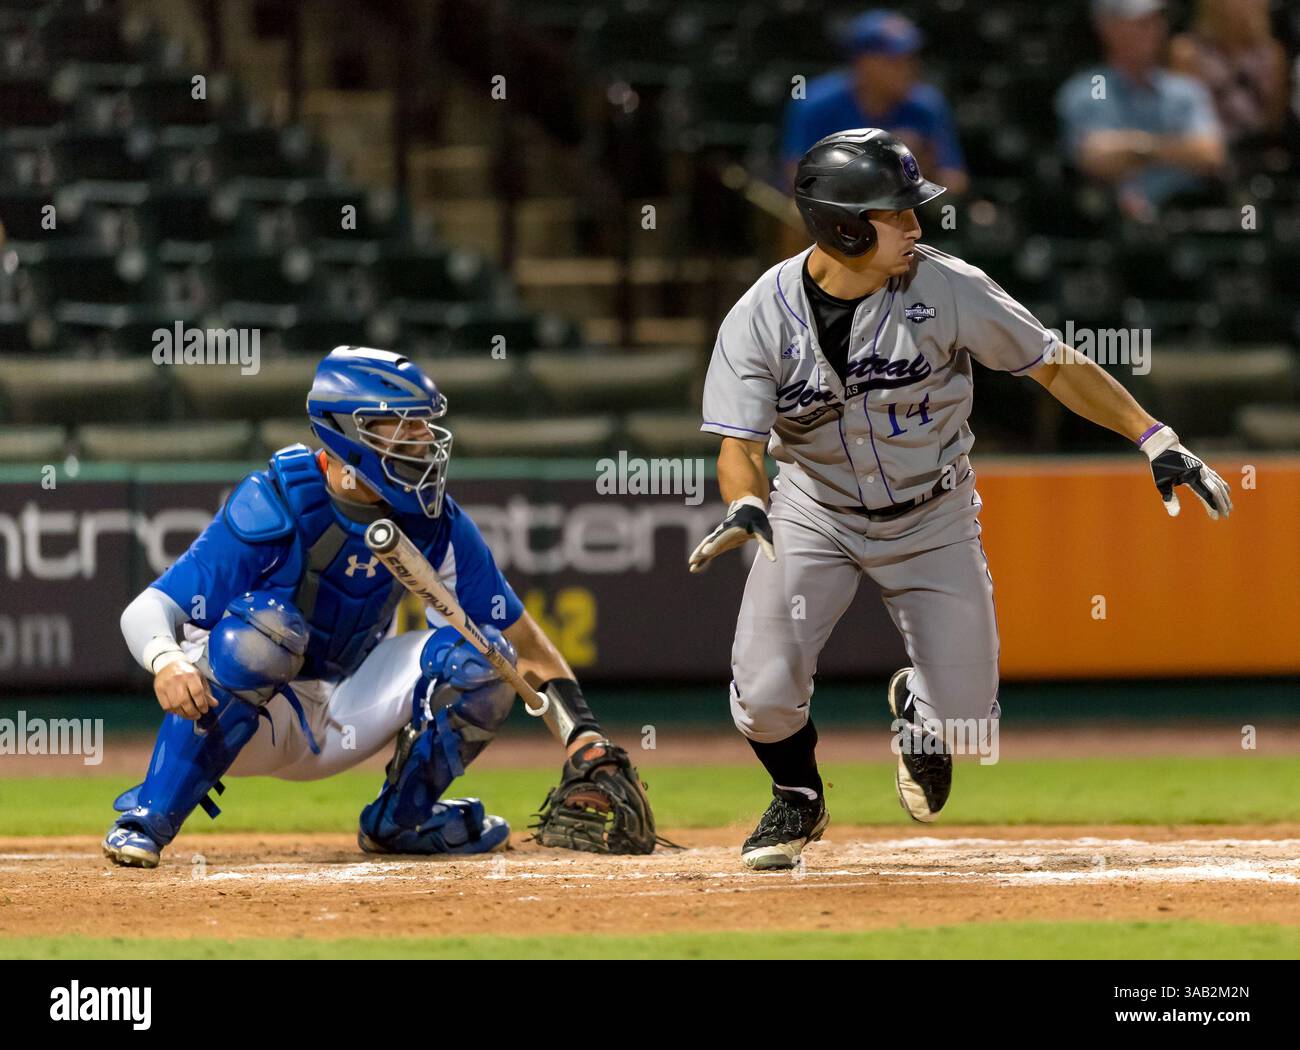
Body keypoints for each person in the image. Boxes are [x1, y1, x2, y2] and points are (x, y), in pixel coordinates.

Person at [689, 129, 1232, 871]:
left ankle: (923, 708)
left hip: (933, 514)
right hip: (814, 512)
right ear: (844, 225)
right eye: (896, 213)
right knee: (764, 689)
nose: (916, 225)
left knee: (970, 721)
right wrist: (747, 505)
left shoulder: (946, 286)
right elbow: (740, 445)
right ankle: (798, 794)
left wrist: (1155, 438)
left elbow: (1054, 364)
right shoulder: (759, 318)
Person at [103, 346, 658, 868]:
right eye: (405, 426)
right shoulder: (276, 501)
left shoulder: (433, 524)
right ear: (350, 433)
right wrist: (166, 661)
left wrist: (583, 736)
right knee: (263, 631)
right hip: (244, 720)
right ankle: (148, 818)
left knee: (486, 658)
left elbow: (520, 644)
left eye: (424, 425)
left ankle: (402, 821)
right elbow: (148, 609)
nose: (423, 440)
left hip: (346, 706)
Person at [780, 9, 967, 195]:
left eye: (911, 59)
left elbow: (956, 181)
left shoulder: (927, 105)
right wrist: (878, 162)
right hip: (835, 215)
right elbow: (798, 181)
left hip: (909, 212)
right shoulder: (818, 104)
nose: (909, 69)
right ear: (862, 63)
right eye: (895, 62)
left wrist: (924, 169)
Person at [1169, 0, 1288, 143]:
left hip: (1259, 149)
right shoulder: (1187, 51)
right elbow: (1184, 117)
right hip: (1211, 149)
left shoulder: (1272, 54)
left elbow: (1274, 119)